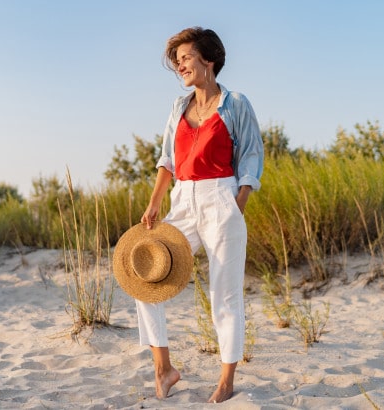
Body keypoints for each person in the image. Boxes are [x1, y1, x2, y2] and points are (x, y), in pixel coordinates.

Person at [138, 27, 264, 403]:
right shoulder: (178, 107)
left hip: (221, 197)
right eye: (176, 61)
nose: (180, 65)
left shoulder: (235, 103)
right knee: (146, 279)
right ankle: (164, 368)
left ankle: (226, 381)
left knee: (224, 295)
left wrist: (236, 206)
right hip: (183, 201)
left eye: (187, 57)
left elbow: (252, 157)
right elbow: (167, 161)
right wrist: (155, 202)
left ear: (209, 60)